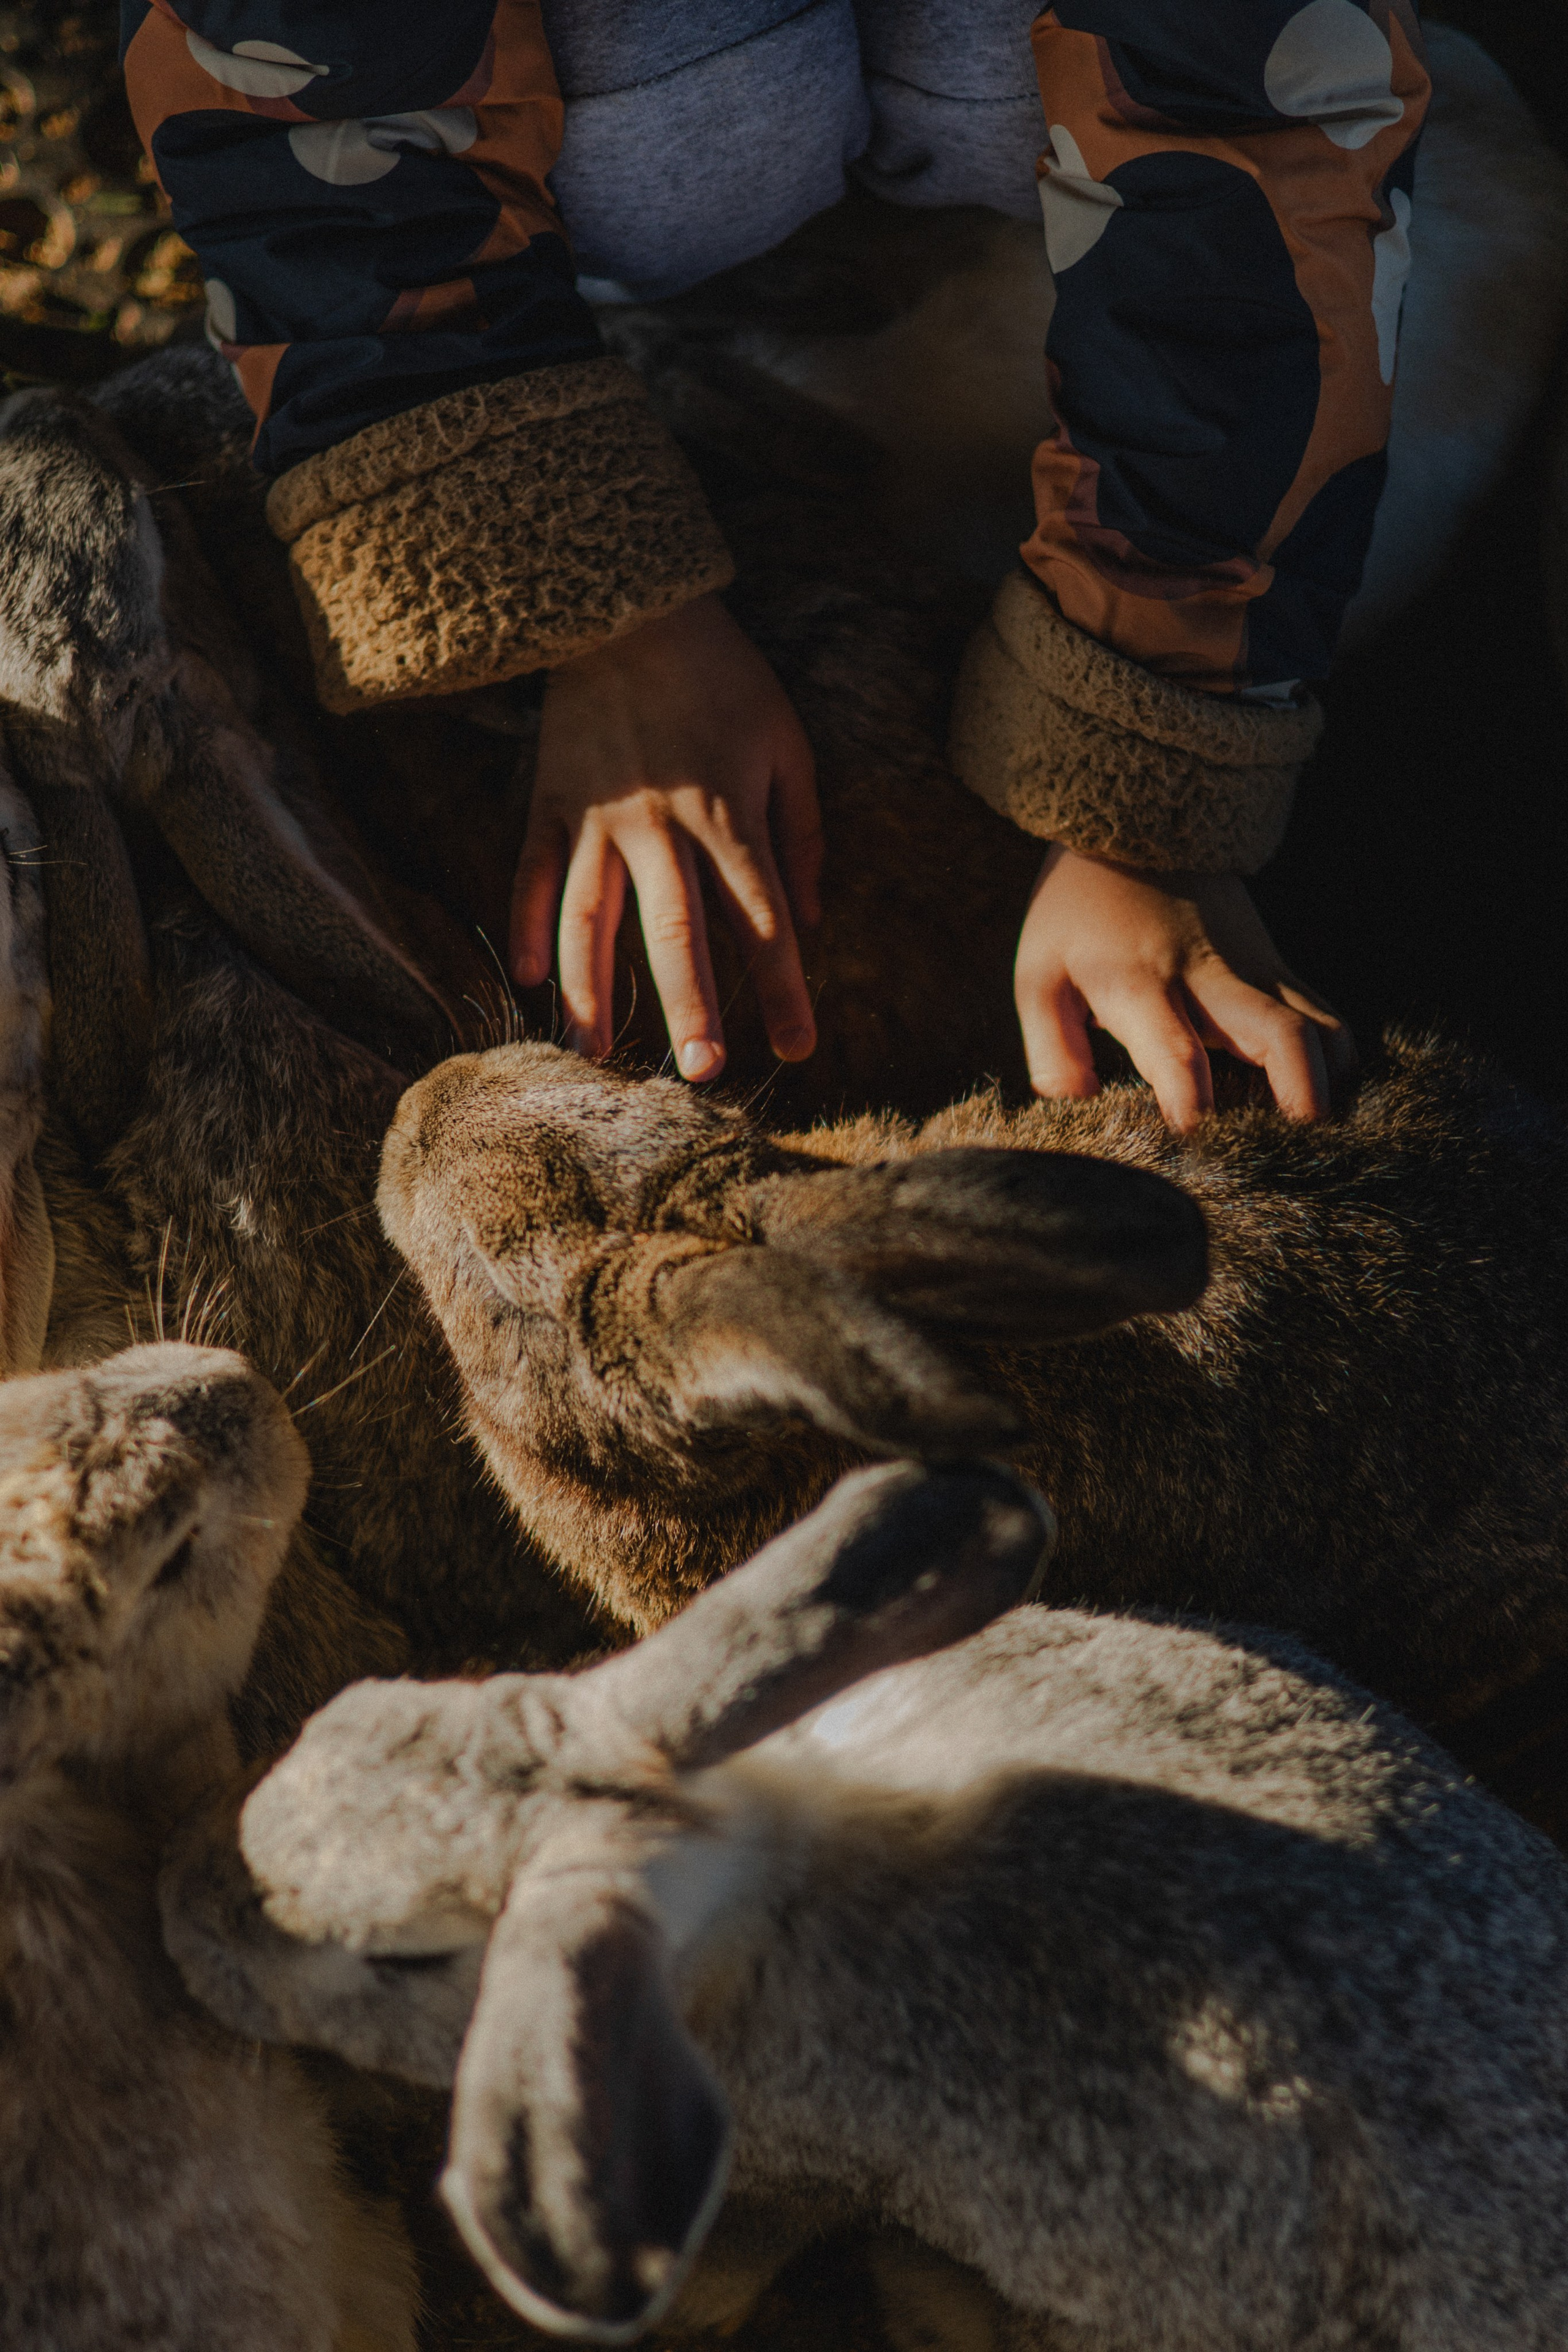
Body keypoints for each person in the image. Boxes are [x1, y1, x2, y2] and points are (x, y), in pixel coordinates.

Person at [121, 1, 1427, 1128]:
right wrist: (591, 606)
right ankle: (590, 279)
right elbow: (292, 101)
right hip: (648, 147)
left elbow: (1255, 109)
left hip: (997, 133)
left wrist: (1143, 783)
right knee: (648, 129)